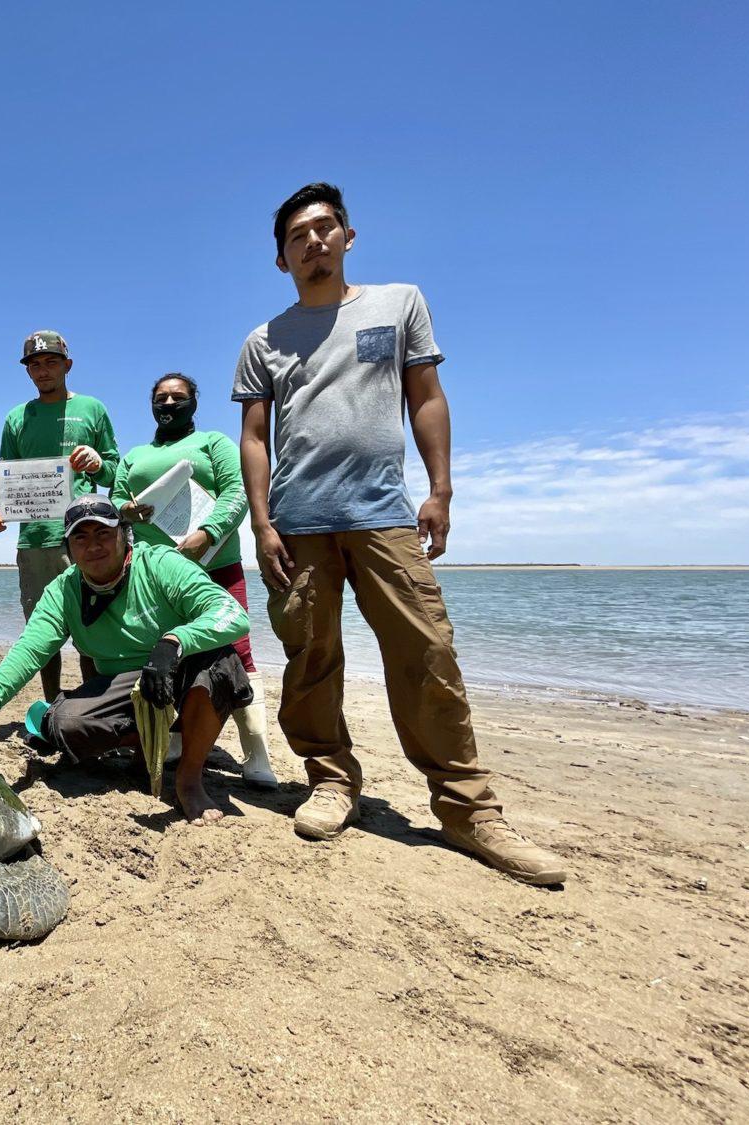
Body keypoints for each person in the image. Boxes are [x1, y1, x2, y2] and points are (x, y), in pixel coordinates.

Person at [233, 181, 568, 884]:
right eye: (297, 236)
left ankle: (467, 808)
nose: (313, 241)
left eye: (325, 228)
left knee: (427, 651)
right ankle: (331, 780)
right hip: (299, 521)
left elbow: (426, 397)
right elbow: (255, 437)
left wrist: (440, 489)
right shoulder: (264, 340)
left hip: (383, 513)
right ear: (282, 259)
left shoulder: (399, 303)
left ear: (347, 237)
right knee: (310, 658)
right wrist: (262, 523)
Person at [0, 497, 252, 824]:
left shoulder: (160, 563)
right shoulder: (63, 591)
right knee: (63, 724)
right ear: (68, 547)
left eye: (103, 534)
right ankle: (149, 743)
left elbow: (231, 613)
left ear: (124, 534)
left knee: (222, 662)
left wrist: (174, 641)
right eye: (80, 537)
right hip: (121, 687)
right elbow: (28, 652)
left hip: (177, 670)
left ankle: (188, 778)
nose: (93, 546)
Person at [110, 372, 277, 786]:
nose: (169, 403)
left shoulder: (214, 443)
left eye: (178, 397)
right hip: (157, 572)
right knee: (169, 649)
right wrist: (128, 511)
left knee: (237, 650)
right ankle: (177, 736)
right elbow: (115, 500)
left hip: (216, 564)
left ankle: (257, 753)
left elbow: (237, 492)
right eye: (161, 398)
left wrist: (209, 534)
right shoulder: (134, 455)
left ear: (194, 402)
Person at [0, 330, 120, 702]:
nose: (43, 370)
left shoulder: (93, 409)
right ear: (27, 371)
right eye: (35, 364)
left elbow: (115, 472)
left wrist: (97, 463)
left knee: (93, 627)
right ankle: (49, 704)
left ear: (67, 365)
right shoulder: (17, 417)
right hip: (35, 541)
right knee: (41, 630)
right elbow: (9, 480)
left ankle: (95, 703)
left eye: (51, 362)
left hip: (84, 536)